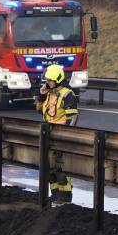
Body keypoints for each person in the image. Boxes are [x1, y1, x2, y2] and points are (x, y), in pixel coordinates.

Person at [35, 64, 78, 203]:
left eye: (49, 80)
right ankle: (55, 196)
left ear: (57, 80)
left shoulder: (68, 95)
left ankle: (65, 198)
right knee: (50, 170)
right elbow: (39, 110)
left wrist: (64, 137)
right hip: (48, 137)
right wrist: (41, 96)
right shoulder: (49, 93)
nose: (47, 82)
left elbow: (72, 119)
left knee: (62, 170)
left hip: (61, 138)